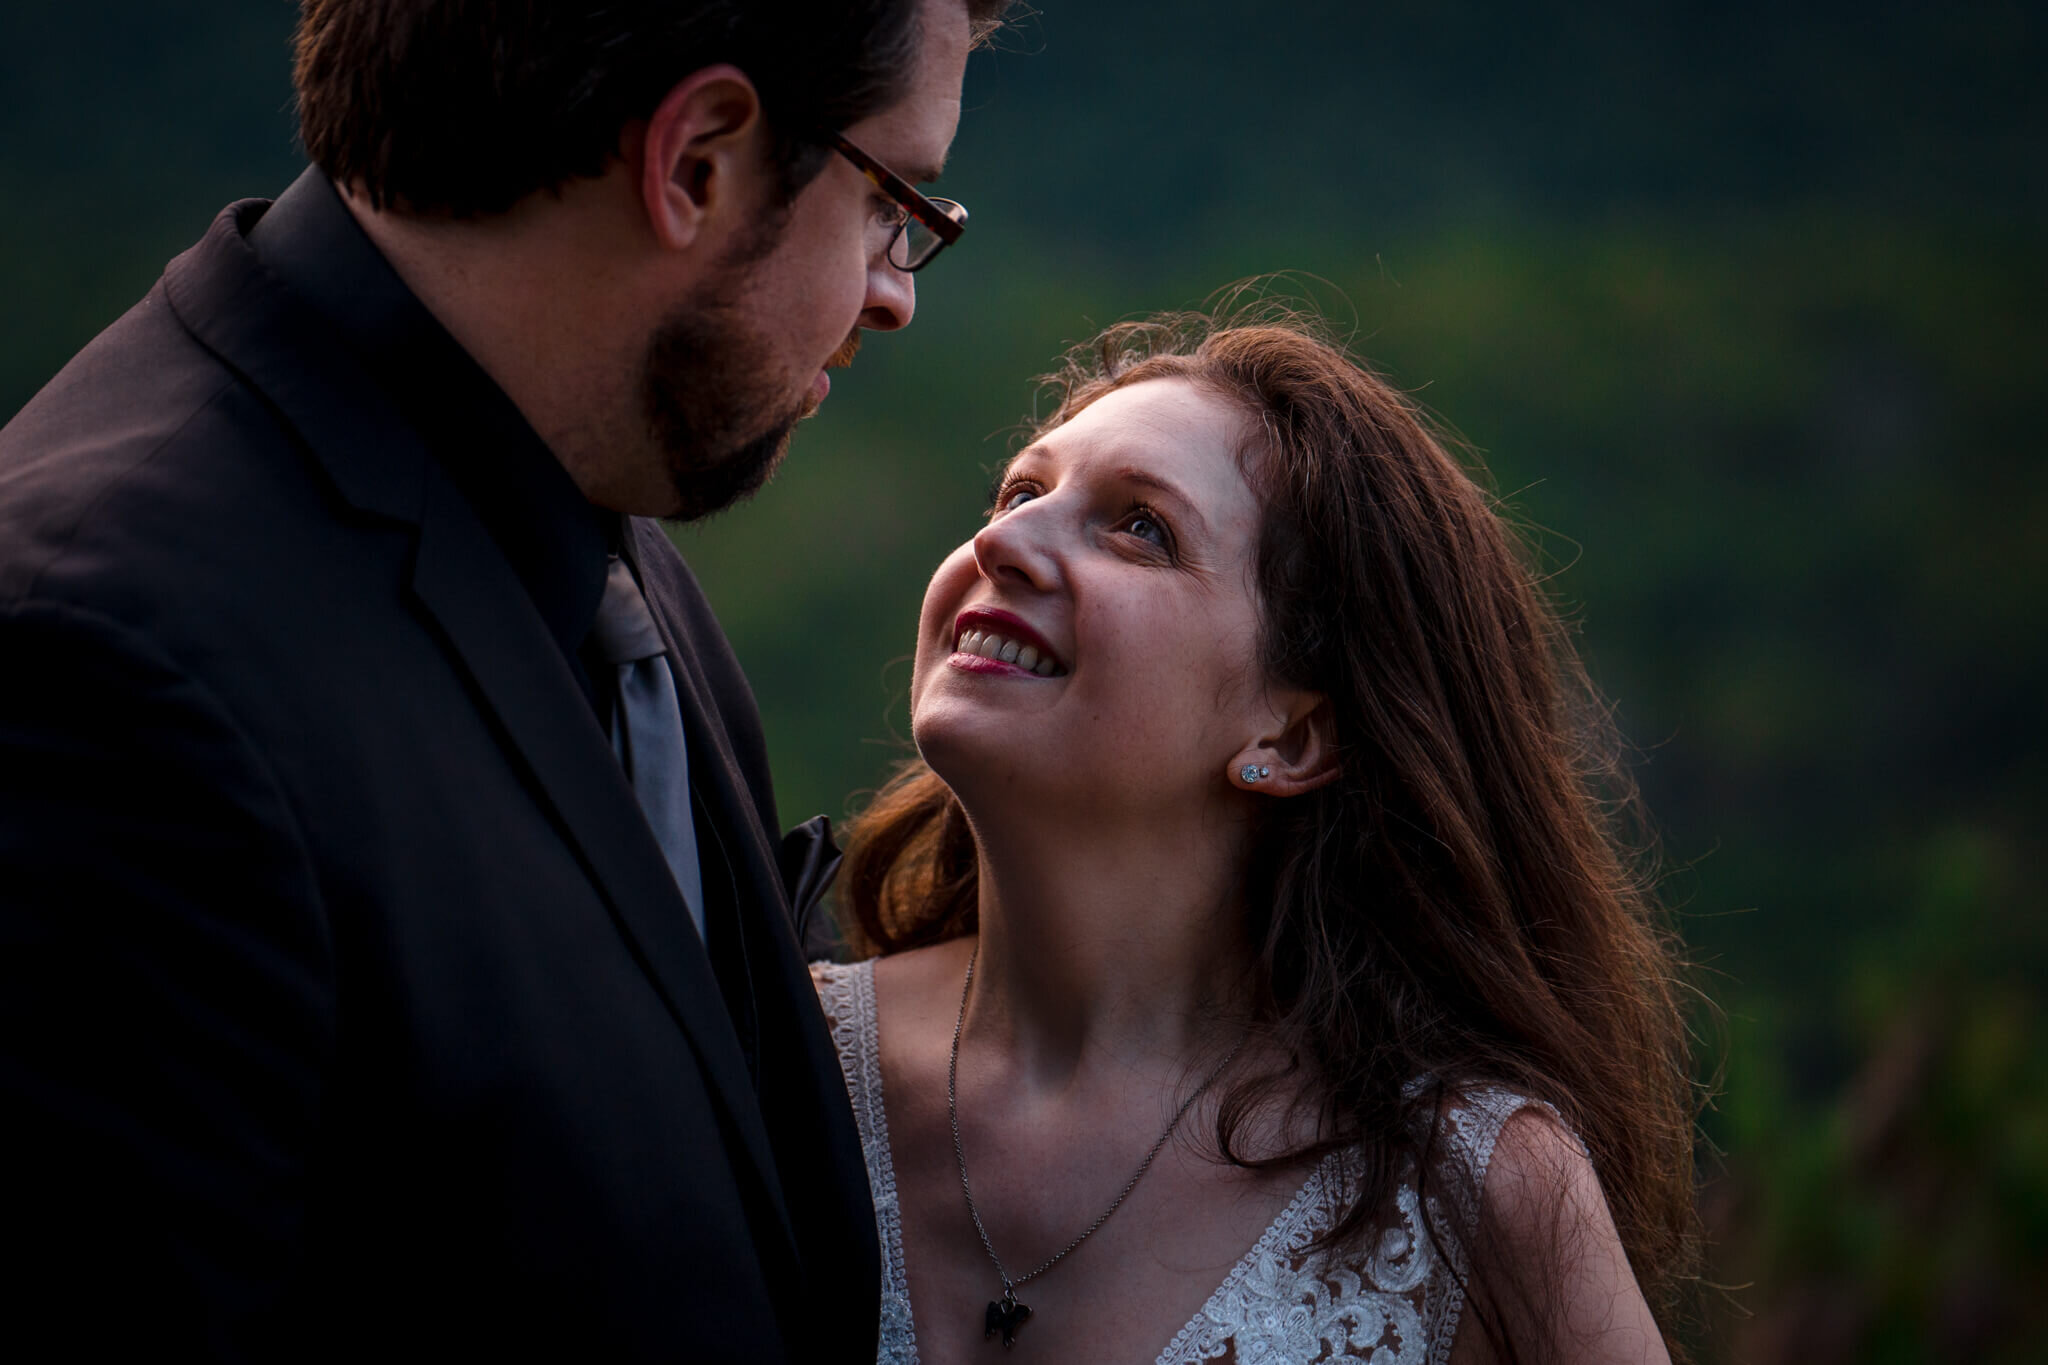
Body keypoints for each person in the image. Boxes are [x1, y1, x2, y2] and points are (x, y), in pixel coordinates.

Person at [0, 0, 1011, 1358]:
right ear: (697, 159)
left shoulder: (591, 512)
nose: (891, 291)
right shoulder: (103, 672)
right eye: (894, 198)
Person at [812, 306, 1700, 1363]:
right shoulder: (777, 1046)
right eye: (1019, 492)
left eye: (1139, 527)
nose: (1000, 543)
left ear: (1291, 732)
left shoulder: (1469, 1193)